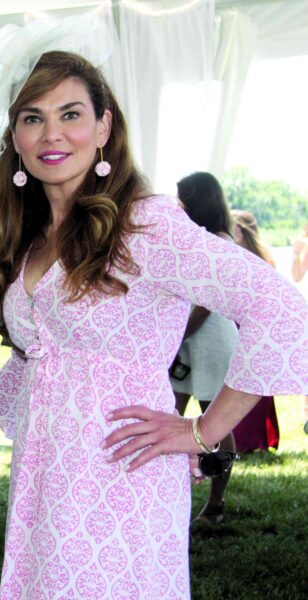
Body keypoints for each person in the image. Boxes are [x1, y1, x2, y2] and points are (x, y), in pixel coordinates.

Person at [0, 46, 308, 597]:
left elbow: (280, 307)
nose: (51, 134)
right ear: (15, 138)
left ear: (104, 125)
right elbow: (50, 354)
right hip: (47, 478)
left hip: (122, 475)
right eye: (32, 117)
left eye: (71, 114)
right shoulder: (31, 237)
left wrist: (202, 431)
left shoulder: (144, 226)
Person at [170, 172, 239, 524]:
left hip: (209, 340)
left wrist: (175, 338)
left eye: (182, 199)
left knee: (217, 422)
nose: (176, 205)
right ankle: (167, 494)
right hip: (185, 338)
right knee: (169, 412)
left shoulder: (220, 242)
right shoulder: (195, 239)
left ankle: (215, 502)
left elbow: (207, 303)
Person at [229, 209, 280, 453]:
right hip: (244, 324)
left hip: (251, 327)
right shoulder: (256, 257)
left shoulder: (252, 259)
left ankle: (248, 440)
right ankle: (254, 439)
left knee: (251, 384)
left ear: (239, 230)